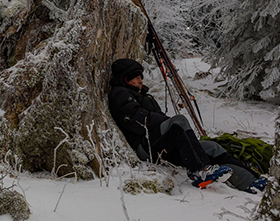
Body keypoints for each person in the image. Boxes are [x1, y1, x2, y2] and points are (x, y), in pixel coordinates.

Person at [108, 58, 267, 192]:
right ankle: (199, 171)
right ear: (125, 79)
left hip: (160, 145)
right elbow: (138, 121)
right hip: (145, 147)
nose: (140, 80)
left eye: (141, 77)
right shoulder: (120, 93)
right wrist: (167, 123)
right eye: (135, 78)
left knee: (212, 147)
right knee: (178, 121)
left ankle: (252, 181)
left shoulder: (142, 95)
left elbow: (153, 120)